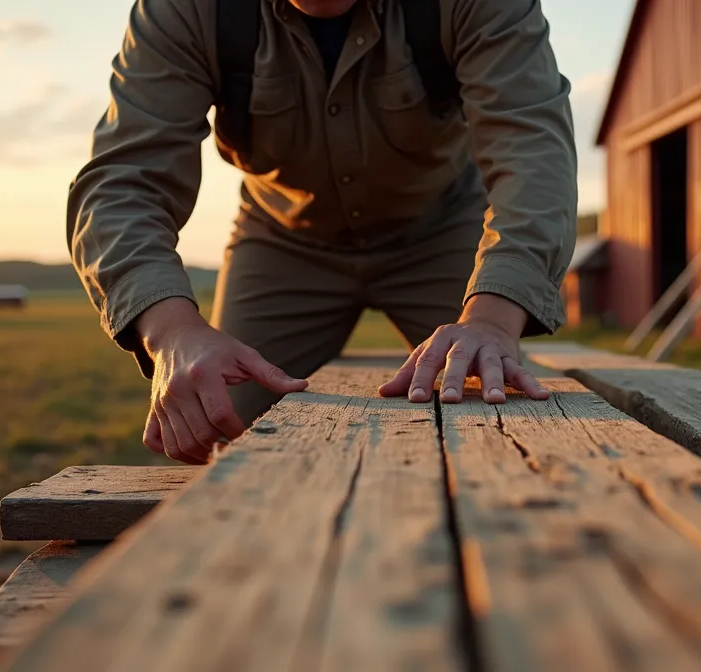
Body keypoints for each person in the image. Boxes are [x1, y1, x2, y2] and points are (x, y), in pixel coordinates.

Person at [68, 0, 578, 465]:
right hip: (284, 242)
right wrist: (171, 330)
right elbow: (122, 183)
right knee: (223, 433)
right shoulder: (184, 11)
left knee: (497, 424)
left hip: (445, 232)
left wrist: (491, 318)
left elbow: (534, 153)